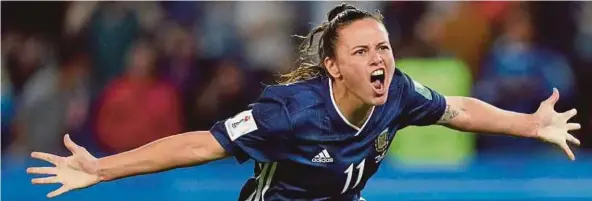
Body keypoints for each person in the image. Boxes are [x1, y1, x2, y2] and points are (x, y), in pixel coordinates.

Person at [27, 4, 581, 201]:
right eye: (362, 51)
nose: (379, 60)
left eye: (383, 48)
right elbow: (201, 143)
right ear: (335, 66)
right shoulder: (287, 112)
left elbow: (458, 110)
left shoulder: (401, 91)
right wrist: (100, 169)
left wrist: (529, 125)